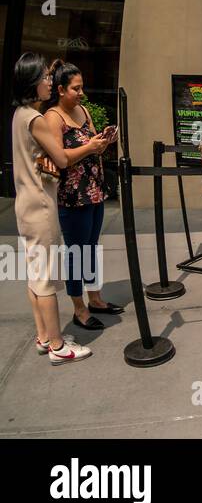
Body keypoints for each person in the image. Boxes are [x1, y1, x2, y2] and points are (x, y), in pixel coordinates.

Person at [12, 53, 94, 364]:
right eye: (46, 77)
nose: (50, 82)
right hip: (41, 205)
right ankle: (59, 346)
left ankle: (44, 336)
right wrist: (86, 148)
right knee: (45, 279)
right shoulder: (36, 118)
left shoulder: (19, 115)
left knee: (34, 275)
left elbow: (40, 158)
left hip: (25, 203)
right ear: (33, 82)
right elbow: (61, 159)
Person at [41, 61, 124, 328]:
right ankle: (79, 308)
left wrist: (101, 143)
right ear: (61, 89)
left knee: (91, 247)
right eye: (76, 88)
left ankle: (95, 298)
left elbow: (90, 147)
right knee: (76, 251)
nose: (81, 93)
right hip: (73, 197)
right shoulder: (53, 117)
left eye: (82, 87)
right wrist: (90, 147)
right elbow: (61, 158)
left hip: (94, 190)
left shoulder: (83, 110)